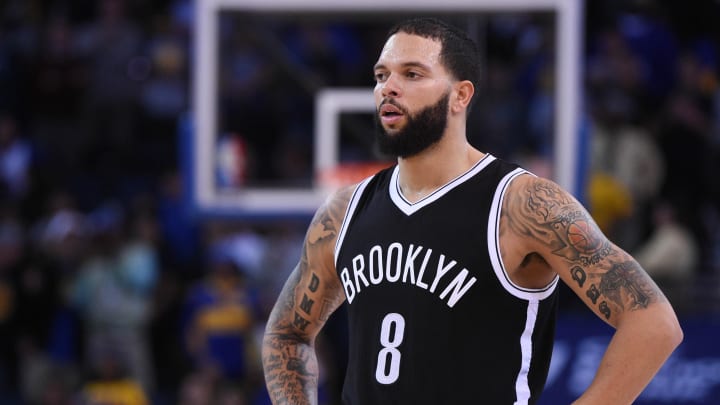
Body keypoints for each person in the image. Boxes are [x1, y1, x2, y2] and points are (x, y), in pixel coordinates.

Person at [262, 18, 683, 405]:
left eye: (411, 74)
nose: (388, 87)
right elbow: (286, 334)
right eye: (381, 75)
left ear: (461, 94)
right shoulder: (343, 211)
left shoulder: (522, 204)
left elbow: (653, 323)